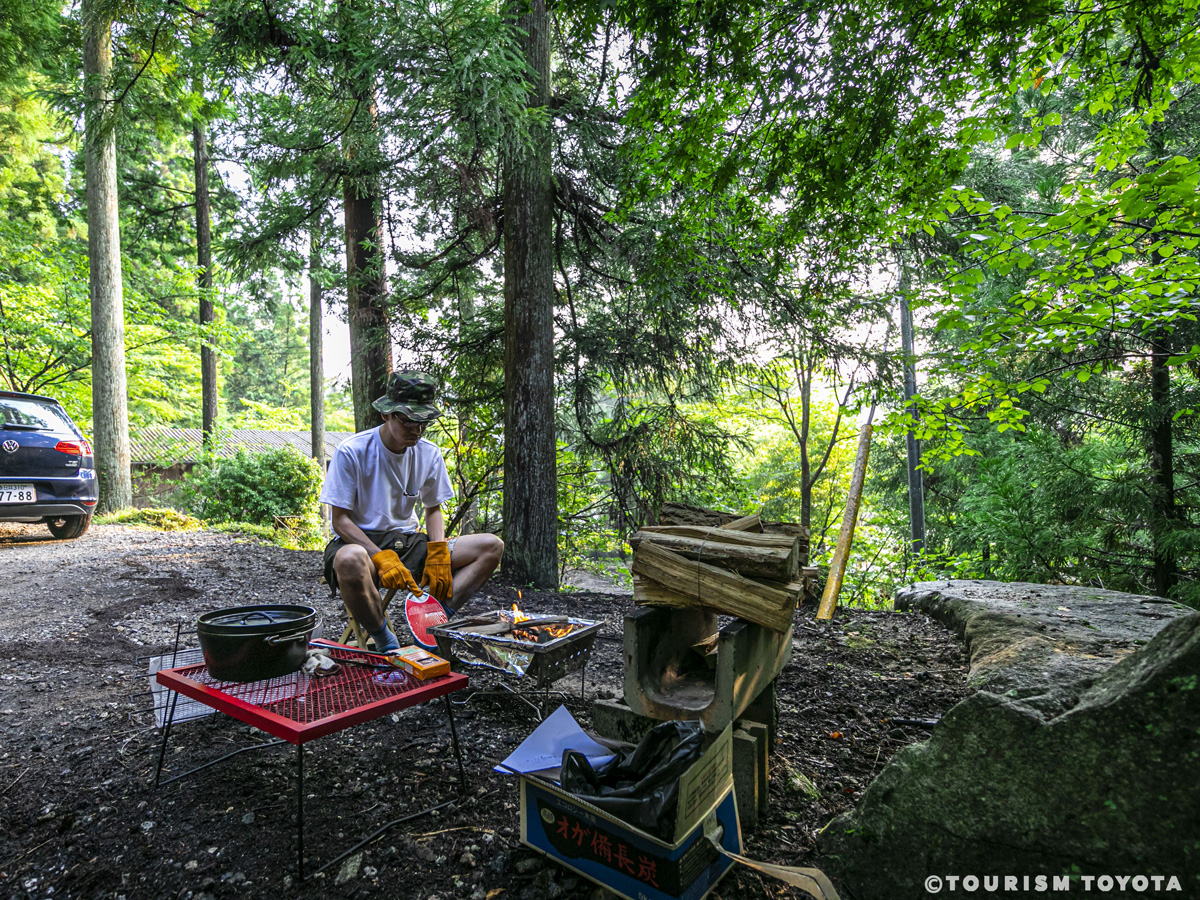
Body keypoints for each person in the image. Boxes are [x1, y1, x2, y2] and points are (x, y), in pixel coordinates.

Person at [320, 371, 504, 652]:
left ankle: (434, 619)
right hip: (358, 543)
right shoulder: (352, 452)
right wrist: (379, 556)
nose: (416, 431)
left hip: (407, 542)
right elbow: (340, 521)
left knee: (491, 546)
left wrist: (440, 551)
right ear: (387, 415)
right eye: (407, 421)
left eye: (423, 423)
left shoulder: (429, 453)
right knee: (349, 559)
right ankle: (385, 641)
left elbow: (433, 509)